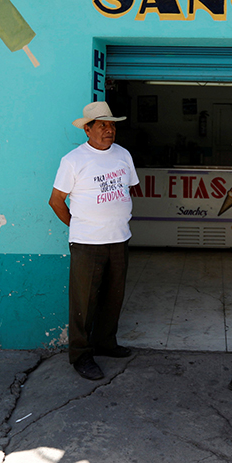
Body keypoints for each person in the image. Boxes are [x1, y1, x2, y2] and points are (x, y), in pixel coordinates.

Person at [49, 101, 139, 380]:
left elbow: (131, 188)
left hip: (119, 238)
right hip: (87, 243)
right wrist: (81, 224)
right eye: (102, 125)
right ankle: (81, 355)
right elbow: (56, 201)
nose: (109, 130)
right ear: (87, 129)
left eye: (112, 125)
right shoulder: (73, 160)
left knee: (113, 297)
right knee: (84, 302)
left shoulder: (123, 155)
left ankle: (105, 343)